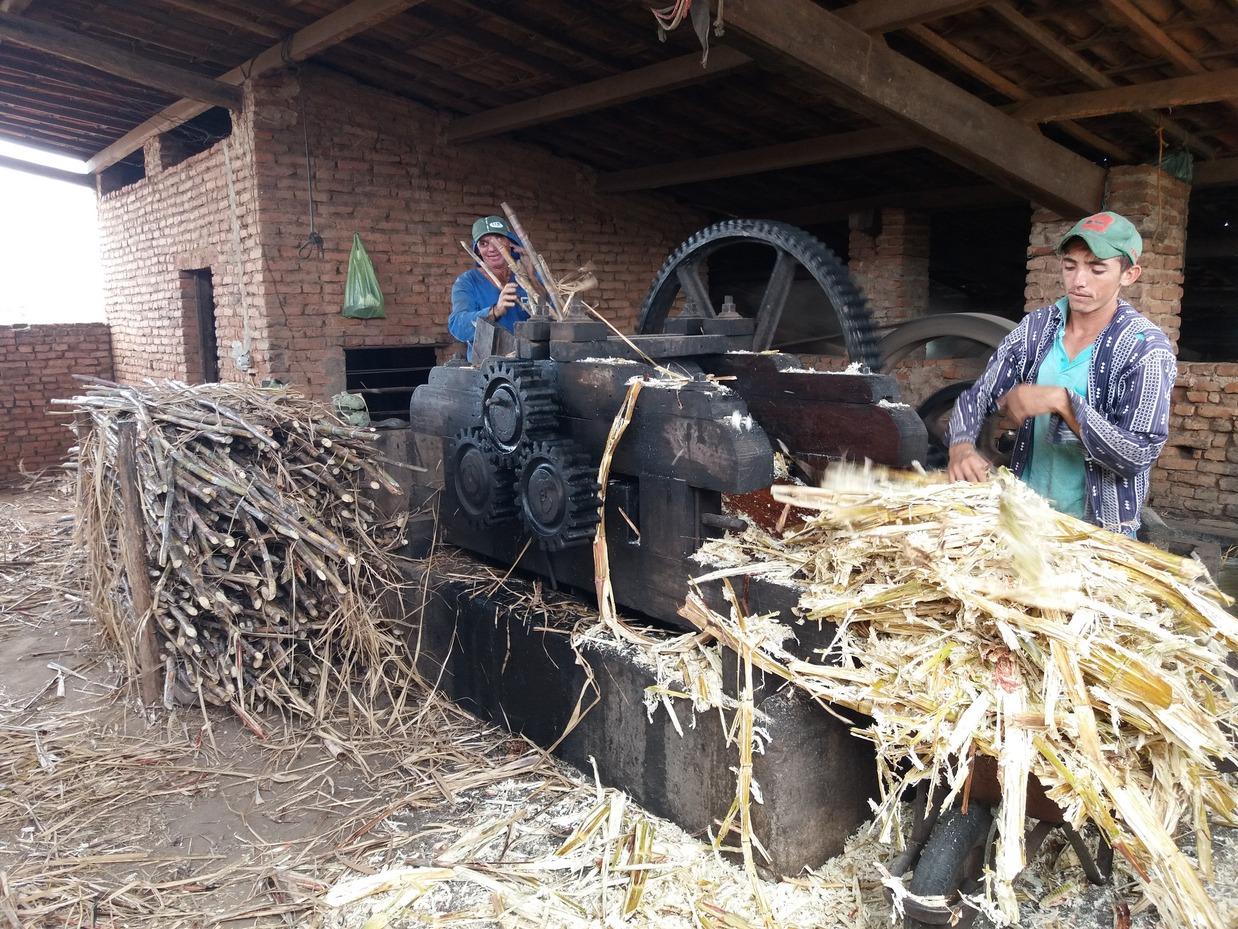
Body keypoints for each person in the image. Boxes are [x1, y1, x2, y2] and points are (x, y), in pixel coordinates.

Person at [946, 211, 1177, 535]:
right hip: (1021, 519)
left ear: (1129, 274)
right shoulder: (1036, 328)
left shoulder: (1145, 349)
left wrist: (1064, 402)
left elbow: (1136, 454)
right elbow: (978, 396)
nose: (1079, 281)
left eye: (1097, 269)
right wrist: (961, 446)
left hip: (1095, 535)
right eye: (1070, 266)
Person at [449, 215, 531, 359]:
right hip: (488, 370)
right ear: (478, 250)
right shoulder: (467, 282)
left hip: (532, 364)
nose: (492, 249)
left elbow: (553, 319)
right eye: (484, 243)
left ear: (510, 243)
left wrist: (534, 279)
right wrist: (495, 311)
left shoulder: (527, 278)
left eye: (498, 240)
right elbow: (458, 326)